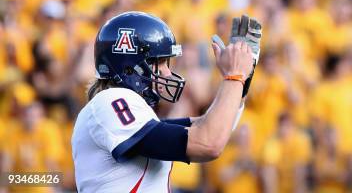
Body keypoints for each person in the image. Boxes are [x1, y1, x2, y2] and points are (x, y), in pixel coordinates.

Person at [71, 11, 261, 192]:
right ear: (130, 68)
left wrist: (242, 81)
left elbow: (211, 126)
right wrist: (234, 76)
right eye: (159, 62)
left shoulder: (126, 111)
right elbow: (208, 143)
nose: (167, 72)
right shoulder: (109, 101)